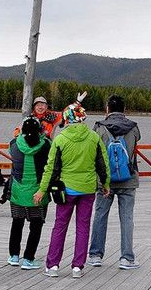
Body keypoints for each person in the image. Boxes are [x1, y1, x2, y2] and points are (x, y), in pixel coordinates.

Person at [33, 101, 109, 279]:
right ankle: (77, 267)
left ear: (67, 119)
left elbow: (51, 168)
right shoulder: (94, 137)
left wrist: (42, 190)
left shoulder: (60, 139)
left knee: (60, 226)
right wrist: (105, 185)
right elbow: (103, 164)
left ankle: (52, 266)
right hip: (88, 189)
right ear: (83, 118)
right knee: (83, 227)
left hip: (66, 190)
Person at [88, 94, 141, 270]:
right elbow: (133, 150)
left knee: (100, 216)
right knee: (127, 218)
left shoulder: (99, 127)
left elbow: (94, 154)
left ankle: (95, 255)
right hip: (128, 179)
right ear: (124, 109)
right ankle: (126, 258)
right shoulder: (133, 128)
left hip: (105, 181)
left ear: (107, 109)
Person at [6, 116, 51, 270]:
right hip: (38, 191)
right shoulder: (45, 145)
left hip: (18, 191)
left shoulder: (14, 144)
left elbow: (13, 145)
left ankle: (13, 256)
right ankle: (28, 259)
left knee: (17, 223)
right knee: (36, 226)